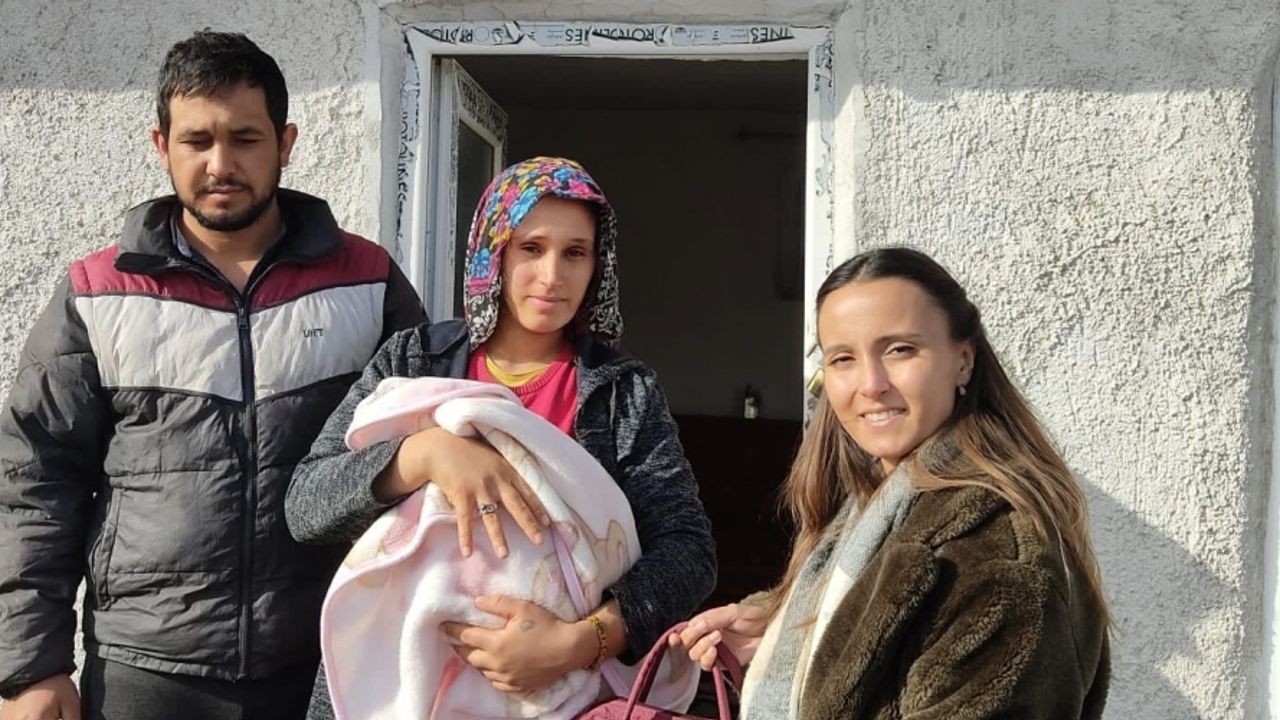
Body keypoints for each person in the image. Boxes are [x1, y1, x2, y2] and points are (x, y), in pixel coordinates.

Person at [0, 30, 425, 720]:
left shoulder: (368, 282)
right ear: (161, 145)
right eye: (196, 140)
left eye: (245, 139)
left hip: (324, 660)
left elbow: (417, 460)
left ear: (285, 143)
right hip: (144, 672)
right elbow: (34, 484)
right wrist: (31, 668)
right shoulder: (98, 293)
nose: (221, 164)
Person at [285, 156, 717, 718]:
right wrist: (423, 454)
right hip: (402, 688)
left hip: (564, 697)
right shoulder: (415, 361)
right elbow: (306, 505)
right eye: (530, 248)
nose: (552, 276)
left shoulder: (621, 392)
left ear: (599, 263)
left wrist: (579, 643)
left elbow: (687, 548)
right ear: (493, 252)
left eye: (575, 253)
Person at [672, 247, 1110, 719]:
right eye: (843, 358)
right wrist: (784, 629)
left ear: (963, 360)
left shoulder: (999, 553)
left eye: (900, 349)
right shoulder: (870, 509)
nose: (871, 383)